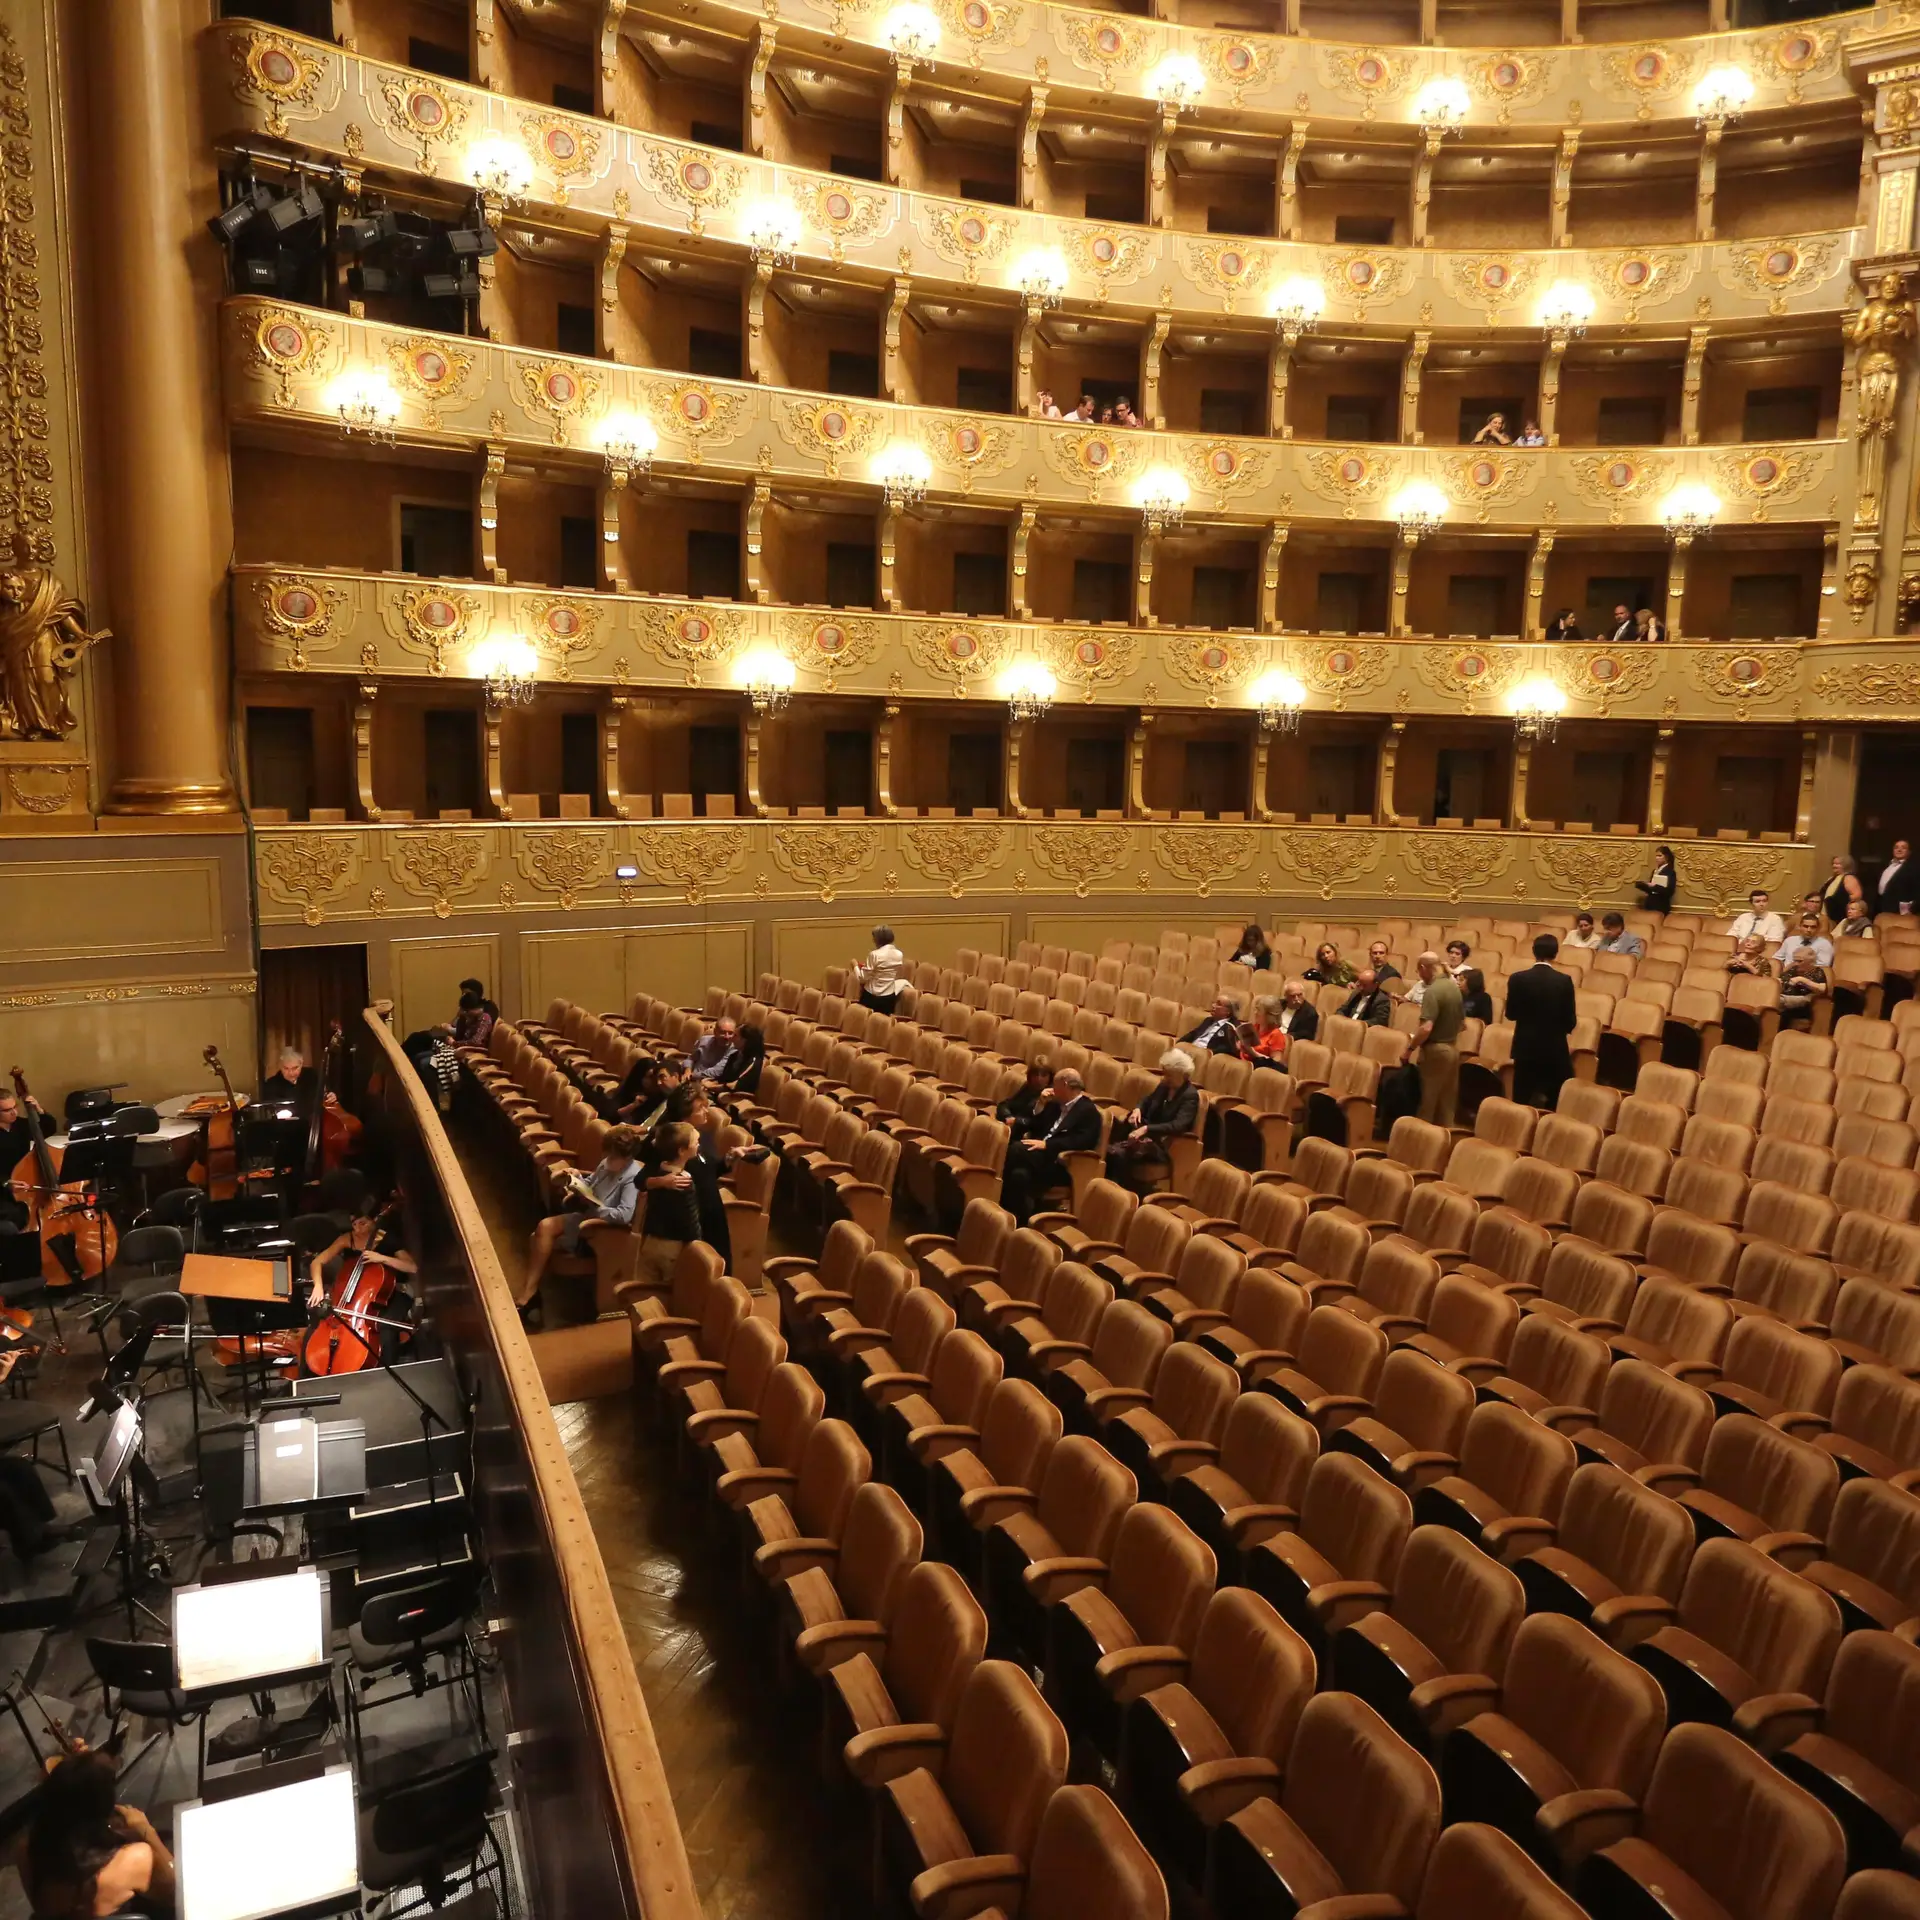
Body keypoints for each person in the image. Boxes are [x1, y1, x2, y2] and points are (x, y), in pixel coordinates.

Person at [17, 1745, 174, 1920]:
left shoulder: (25, 1849)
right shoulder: (137, 1858)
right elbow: (177, 1892)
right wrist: (147, 1831)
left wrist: (77, 1770)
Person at [516, 1123, 642, 1317]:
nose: (607, 1159)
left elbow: (624, 1215)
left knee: (537, 1238)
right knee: (543, 1228)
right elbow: (592, 1183)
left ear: (626, 1158)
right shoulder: (607, 1162)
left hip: (599, 1230)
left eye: (613, 1156)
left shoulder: (632, 1178)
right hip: (585, 1215)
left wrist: (598, 1207)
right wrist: (577, 1181)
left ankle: (529, 1297)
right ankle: (530, 1295)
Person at [306, 1202, 418, 1364]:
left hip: (392, 1293)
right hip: (355, 1295)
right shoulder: (347, 1239)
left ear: (374, 1221)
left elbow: (412, 1267)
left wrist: (383, 1258)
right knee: (316, 1327)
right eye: (354, 1225)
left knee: (386, 1331)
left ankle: (387, 1368)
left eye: (363, 1223)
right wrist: (318, 1286)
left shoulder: (387, 1238)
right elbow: (317, 1262)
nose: (358, 1229)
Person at [999, 1069, 1100, 1224]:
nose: (1052, 1088)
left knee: (1015, 1150)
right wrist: (1040, 1104)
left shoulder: (1088, 1111)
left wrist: (1048, 1145)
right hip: (1039, 1157)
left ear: (1065, 1085)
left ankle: (995, 1195)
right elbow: (1034, 1124)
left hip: (1060, 1163)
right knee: (1019, 1175)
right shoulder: (1054, 1104)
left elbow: (1083, 1141)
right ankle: (1017, 1220)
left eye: (1055, 1084)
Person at [1105, 1051, 1199, 1193]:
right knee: (1114, 1137)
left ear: (1180, 1074)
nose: (1164, 1077)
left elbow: (1178, 1125)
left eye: (1168, 1074)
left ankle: (1125, 1191)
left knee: (1119, 1153)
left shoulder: (1190, 1096)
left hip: (1164, 1143)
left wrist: (1147, 1129)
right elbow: (1147, 1100)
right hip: (1147, 1134)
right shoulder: (1164, 1086)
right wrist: (1138, 1109)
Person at [1506, 933, 1577, 1109]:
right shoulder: (1563, 981)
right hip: (1554, 1049)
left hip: (1525, 1047)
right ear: (1555, 953)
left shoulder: (1517, 978)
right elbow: (1570, 1020)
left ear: (1533, 952)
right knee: (1553, 1102)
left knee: (1521, 1099)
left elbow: (1511, 1014)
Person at [1409, 953, 1464, 1127]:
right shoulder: (1454, 988)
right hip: (1453, 1049)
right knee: (1446, 1106)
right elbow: (1463, 1024)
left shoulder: (1432, 991)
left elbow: (1426, 1028)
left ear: (1424, 968)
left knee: (1428, 1102)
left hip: (1436, 1052)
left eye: (1419, 970)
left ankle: (1421, 1146)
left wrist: (1410, 1048)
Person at [0, 1086, 47, 1231]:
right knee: (15, 1219)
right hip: (3, 1191)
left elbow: (47, 1129)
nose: (14, 1112)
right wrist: (6, 1183)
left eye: (15, 1107)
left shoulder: (20, 1125)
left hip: (25, 1184)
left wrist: (38, 1110)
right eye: (7, 1110)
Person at [853, 925, 908, 1013]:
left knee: (867, 1024)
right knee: (884, 1024)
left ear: (878, 940)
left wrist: (855, 965)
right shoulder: (899, 954)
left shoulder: (874, 955)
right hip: (889, 997)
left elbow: (862, 978)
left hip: (871, 997)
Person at [258, 1046, 318, 1119]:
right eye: (286, 1068)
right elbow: (271, 1110)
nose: (291, 1073)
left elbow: (323, 1094)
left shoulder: (312, 1076)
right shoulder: (271, 1084)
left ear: (301, 1064)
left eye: (295, 1068)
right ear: (280, 1066)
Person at [1779, 946, 1830, 1027]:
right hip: (1786, 998)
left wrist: (1803, 980)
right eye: (1795, 960)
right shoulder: (1793, 968)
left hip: (1804, 1003)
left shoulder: (1817, 972)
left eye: (1800, 961)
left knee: (1778, 1002)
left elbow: (1822, 989)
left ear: (1811, 961)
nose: (1796, 963)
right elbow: (1782, 980)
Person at [996, 1062, 1054, 1131]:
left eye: (1044, 1075)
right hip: (1012, 1125)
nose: (1039, 1079)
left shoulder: (1051, 1095)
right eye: (1035, 1075)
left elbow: (1040, 1123)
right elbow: (1005, 1104)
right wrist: (1008, 1116)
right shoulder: (1028, 1087)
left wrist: (1016, 1121)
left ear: (1050, 1077)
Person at [718, 1023, 765, 1097]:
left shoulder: (754, 1062)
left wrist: (711, 1087)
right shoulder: (734, 1056)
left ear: (745, 1040)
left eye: (735, 1036)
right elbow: (723, 1079)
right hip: (722, 1095)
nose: (731, 1038)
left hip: (738, 1100)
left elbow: (733, 1086)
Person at [687, 1016, 739, 1082]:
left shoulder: (734, 1050)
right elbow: (691, 1058)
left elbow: (716, 1072)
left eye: (730, 1033)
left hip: (706, 1082)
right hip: (690, 1077)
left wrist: (691, 1076)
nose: (727, 1037)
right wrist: (687, 1070)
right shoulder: (704, 1040)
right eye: (723, 1032)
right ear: (715, 1032)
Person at [1822, 857, 1866, 928]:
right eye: (1833, 863)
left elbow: (1857, 896)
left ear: (1846, 865)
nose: (1834, 866)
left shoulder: (1849, 878)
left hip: (1841, 916)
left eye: (1838, 864)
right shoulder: (1831, 879)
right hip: (1828, 916)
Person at [1877, 838, 1916, 916]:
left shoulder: (1913, 869)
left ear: (1909, 852)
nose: (1899, 850)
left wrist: (1912, 909)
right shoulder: (1887, 866)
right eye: (1896, 847)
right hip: (1881, 909)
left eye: (1903, 848)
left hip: (1899, 912)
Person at [1635, 846, 1677, 914]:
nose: (1657, 858)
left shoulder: (1670, 872)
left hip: (1660, 905)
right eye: (1656, 856)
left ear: (1666, 857)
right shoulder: (1655, 871)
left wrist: (1655, 886)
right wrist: (1644, 886)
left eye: (1659, 856)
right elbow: (1651, 891)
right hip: (1650, 904)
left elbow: (1669, 891)